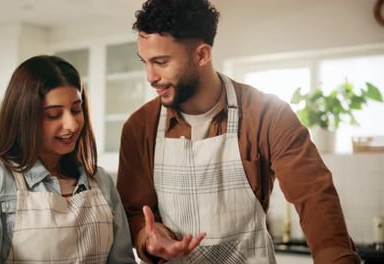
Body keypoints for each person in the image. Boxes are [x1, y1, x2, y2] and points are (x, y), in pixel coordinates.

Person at [116, 0, 360, 263]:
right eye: (145, 62)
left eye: (161, 62)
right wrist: (150, 237)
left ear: (202, 55)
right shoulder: (139, 128)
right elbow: (134, 212)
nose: (150, 76)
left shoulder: (267, 115)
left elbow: (315, 198)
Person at [0, 55, 136, 263]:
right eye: (54, 114)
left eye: (76, 109)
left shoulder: (100, 180)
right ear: (24, 117)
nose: (72, 125)